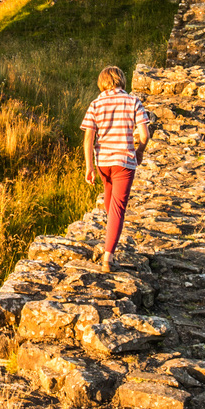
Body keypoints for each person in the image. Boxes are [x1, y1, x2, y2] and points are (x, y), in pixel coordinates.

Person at [80, 65, 152, 271]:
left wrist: (89, 166)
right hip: (124, 161)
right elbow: (145, 135)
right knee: (118, 208)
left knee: (110, 202)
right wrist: (140, 150)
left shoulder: (95, 104)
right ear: (121, 80)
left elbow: (88, 138)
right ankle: (108, 257)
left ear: (102, 82)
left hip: (103, 161)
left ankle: (109, 241)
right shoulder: (133, 101)